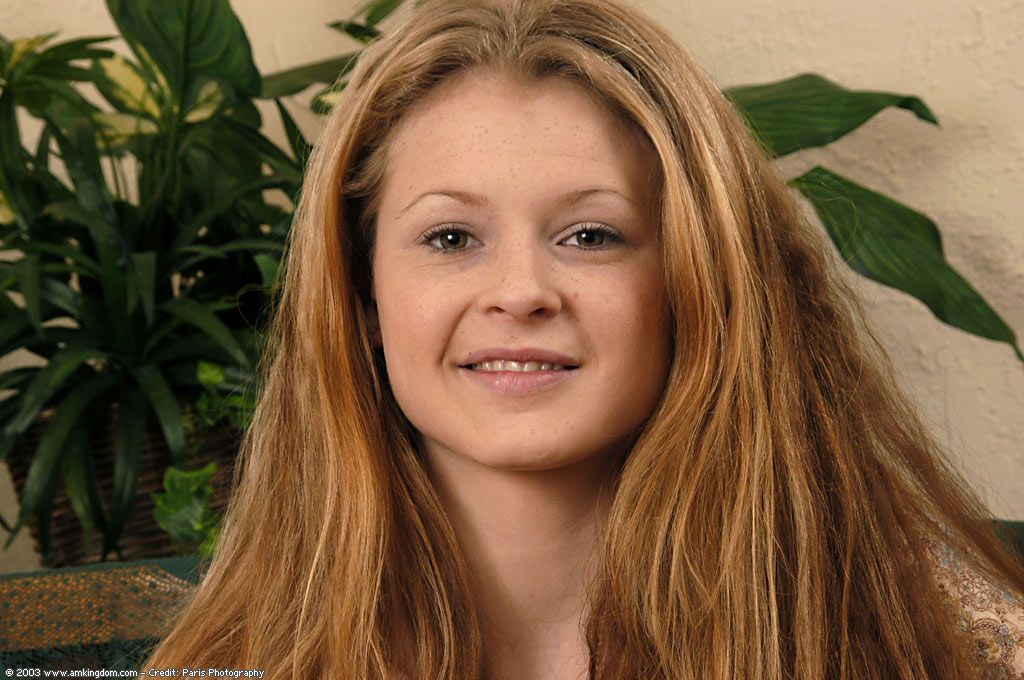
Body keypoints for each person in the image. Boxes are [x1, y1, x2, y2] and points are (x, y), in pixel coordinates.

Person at [141, 0, 1024, 678]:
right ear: (362, 297)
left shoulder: (928, 631)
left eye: (591, 235)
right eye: (450, 238)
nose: (520, 292)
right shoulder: (231, 660)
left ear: (694, 284)